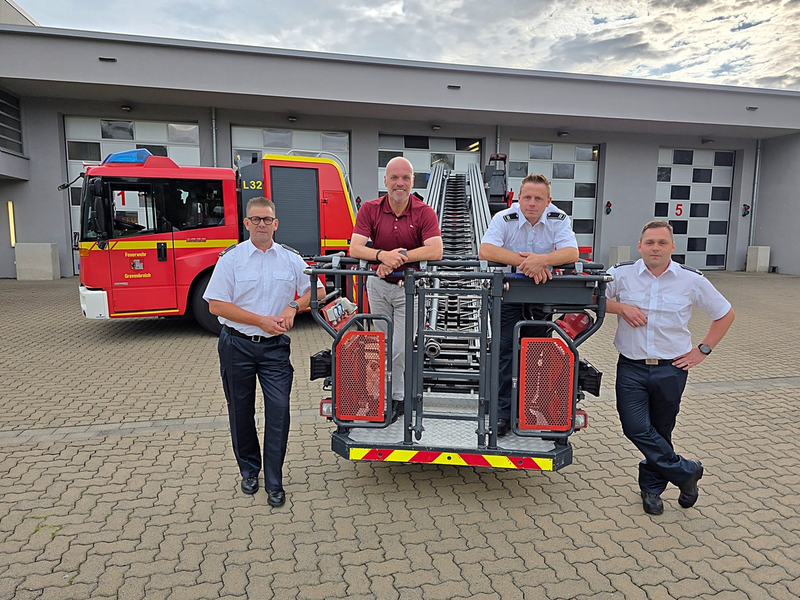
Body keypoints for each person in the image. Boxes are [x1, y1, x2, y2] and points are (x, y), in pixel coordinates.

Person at [606, 220, 734, 516]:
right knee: (635, 427)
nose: (655, 248)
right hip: (632, 367)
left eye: (662, 243)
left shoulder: (691, 280)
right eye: (649, 242)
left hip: (672, 369)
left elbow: (725, 313)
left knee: (661, 430)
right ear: (640, 246)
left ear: (672, 247)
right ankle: (685, 472)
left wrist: (703, 350)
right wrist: (621, 307)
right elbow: (591, 297)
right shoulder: (621, 274)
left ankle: (651, 490)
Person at [203, 197, 324, 507]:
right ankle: (249, 470)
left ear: (275, 224)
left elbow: (319, 290)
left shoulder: (291, 259)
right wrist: (261, 321)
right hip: (237, 344)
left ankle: (274, 479)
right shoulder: (232, 259)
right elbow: (216, 304)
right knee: (240, 411)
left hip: (274, 350)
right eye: (255, 219)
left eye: (267, 219)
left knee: (278, 411)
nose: (261, 225)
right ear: (246, 223)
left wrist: (294, 306)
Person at [479, 173, 579, 436]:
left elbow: (571, 253)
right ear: (518, 198)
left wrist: (542, 260)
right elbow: (486, 250)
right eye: (527, 197)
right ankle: (502, 415)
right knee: (504, 355)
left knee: (539, 357)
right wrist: (530, 264)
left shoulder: (559, 219)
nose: (531, 203)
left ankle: (533, 412)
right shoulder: (503, 218)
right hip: (506, 296)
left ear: (548, 201)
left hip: (540, 298)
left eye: (538, 198)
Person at [349, 157, 443, 421]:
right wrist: (381, 256)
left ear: (412, 182)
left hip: (409, 289)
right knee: (383, 344)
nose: (399, 183)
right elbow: (355, 248)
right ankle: (387, 396)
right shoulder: (369, 209)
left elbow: (436, 250)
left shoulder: (425, 212)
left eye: (405, 178)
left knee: (400, 347)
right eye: (394, 178)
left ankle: (396, 397)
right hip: (378, 286)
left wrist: (396, 257)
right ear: (385, 181)